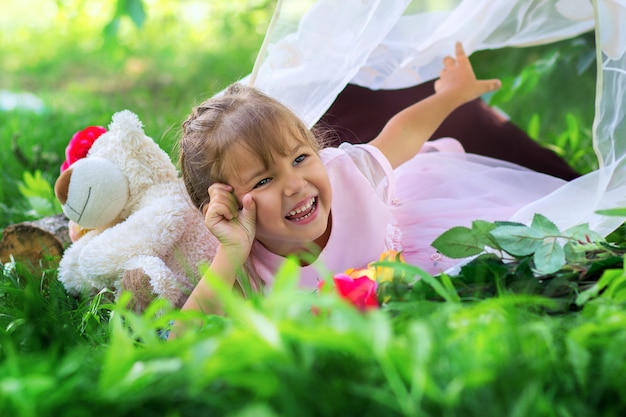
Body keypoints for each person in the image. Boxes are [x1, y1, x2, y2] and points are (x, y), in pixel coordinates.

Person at [177, 42, 566, 315]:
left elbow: (403, 135)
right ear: (224, 204)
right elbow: (182, 338)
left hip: (418, 247)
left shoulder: (348, 175)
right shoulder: (246, 264)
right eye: (263, 181)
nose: (294, 184)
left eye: (299, 158)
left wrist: (451, 96)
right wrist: (229, 251)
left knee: (528, 254)